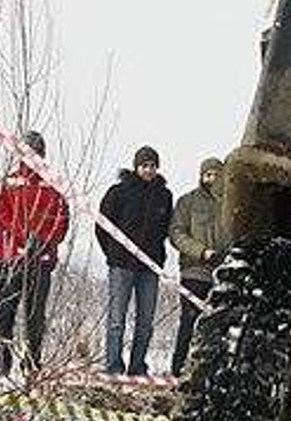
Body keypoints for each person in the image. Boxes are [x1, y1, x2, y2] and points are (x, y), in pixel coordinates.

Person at [0, 130, 71, 377]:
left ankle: (32, 363)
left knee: (35, 315)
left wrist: (44, 240)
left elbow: (62, 219)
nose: (32, 156)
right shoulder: (7, 182)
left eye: (37, 152)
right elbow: (0, 216)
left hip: (42, 259)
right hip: (12, 256)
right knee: (6, 311)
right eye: (27, 151)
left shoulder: (54, 184)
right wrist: (24, 236)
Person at [96, 145, 173, 376]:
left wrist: (158, 257)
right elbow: (102, 226)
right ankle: (113, 365)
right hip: (121, 265)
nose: (149, 170)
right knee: (116, 319)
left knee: (146, 321)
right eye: (145, 165)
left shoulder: (164, 195)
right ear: (136, 166)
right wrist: (112, 254)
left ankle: (137, 366)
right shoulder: (119, 192)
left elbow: (165, 229)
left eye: (152, 165)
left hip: (149, 268)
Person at [167, 156, 230, 376]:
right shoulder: (187, 201)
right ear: (201, 176)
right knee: (189, 320)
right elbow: (176, 233)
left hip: (223, 275)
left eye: (216, 174)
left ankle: (206, 373)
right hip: (194, 271)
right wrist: (202, 252)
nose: (212, 179)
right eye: (208, 174)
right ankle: (177, 369)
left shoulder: (231, 203)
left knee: (219, 327)